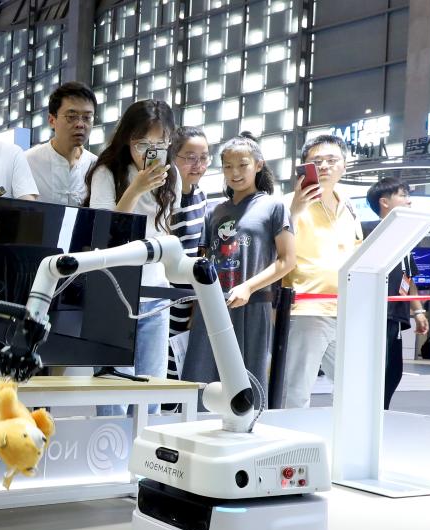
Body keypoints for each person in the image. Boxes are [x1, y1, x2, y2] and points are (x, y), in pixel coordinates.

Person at [181, 133, 295, 406]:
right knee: (200, 381)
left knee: (248, 384)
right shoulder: (214, 211)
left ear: (258, 165)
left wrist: (248, 287)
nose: (235, 173)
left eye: (242, 165)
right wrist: (195, 310)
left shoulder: (274, 207)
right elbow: (202, 263)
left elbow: (287, 260)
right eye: (228, 166)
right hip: (212, 307)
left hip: (252, 307)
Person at [87, 100, 176, 415]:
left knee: (151, 392)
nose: (150, 152)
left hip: (155, 292)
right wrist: (135, 190)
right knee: (112, 394)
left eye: (159, 144)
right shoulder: (107, 172)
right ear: (127, 139)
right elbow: (106, 234)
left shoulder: (171, 177)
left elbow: (164, 231)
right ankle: (110, 447)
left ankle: (145, 447)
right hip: (114, 290)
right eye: (142, 144)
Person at [281, 134, 363, 408]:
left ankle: (343, 432)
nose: (325, 166)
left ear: (344, 166)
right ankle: (286, 435)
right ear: (304, 166)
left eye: (332, 160)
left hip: (344, 308)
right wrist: (295, 210)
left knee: (352, 384)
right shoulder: (289, 203)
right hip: (306, 308)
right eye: (317, 162)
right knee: (296, 388)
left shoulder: (348, 206)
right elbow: (274, 249)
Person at [364, 177, 429, 409]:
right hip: (374, 315)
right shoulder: (367, 231)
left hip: (395, 317)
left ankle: (381, 413)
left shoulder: (404, 237)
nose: (409, 201)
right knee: (375, 371)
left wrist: (418, 311)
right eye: (403, 195)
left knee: (393, 371)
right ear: (385, 202)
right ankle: (371, 414)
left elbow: (408, 278)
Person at [166, 126, 211, 382]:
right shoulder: (162, 196)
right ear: (173, 156)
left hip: (187, 297)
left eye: (204, 157)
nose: (198, 165)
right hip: (159, 294)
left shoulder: (201, 196)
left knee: (177, 367)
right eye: (190, 157)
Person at [25, 82, 98, 206]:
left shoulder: (96, 166)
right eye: (71, 116)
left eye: (87, 117)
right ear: (52, 120)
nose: (80, 124)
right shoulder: (28, 162)